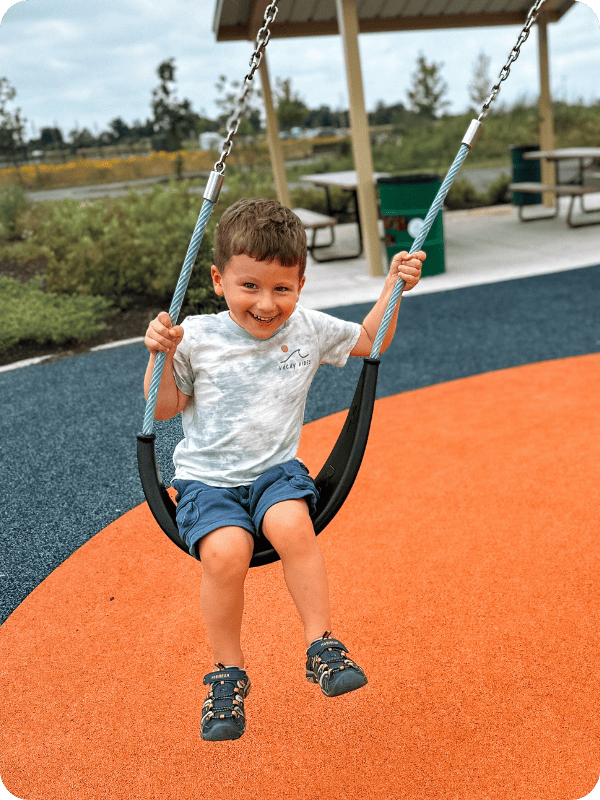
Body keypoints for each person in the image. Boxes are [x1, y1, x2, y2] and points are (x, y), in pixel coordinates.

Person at [144, 198, 424, 742]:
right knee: (226, 554)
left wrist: (393, 286)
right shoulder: (195, 337)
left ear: (300, 286)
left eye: (282, 289)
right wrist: (157, 354)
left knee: (294, 528)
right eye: (250, 286)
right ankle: (227, 674)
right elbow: (162, 408)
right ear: (219, 280)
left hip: (277, 474)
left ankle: (321, 646)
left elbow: (369, 341)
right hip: (208, 483)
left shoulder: (310, 330)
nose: (267, 304)